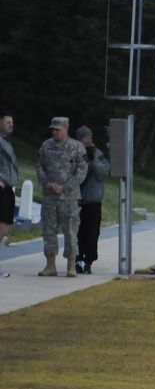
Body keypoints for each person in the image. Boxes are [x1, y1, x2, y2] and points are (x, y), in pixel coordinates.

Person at [37, 117, 87, 277]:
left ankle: (71, 264)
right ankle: (50, 265)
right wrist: (48, 184)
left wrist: (65, 187)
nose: (54, 132)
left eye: (57, 129)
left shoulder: (77, 147)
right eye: (52, 129)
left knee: (70, 231)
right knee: (49, 230)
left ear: (66, 129)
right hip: (50, 196)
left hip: (69, 198)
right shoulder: (46, 146)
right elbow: (40, 166)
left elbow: (82, 169)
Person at [74, 126, 111, 274]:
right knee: (77, 233)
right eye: (84, 138)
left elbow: (103, 174)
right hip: (77, 200)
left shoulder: (98, 154)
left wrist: (93, 159)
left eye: (89, 137)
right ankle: (76, 259)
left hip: (93, 201)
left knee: (91, 233)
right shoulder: (73, 152)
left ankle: (88, 260)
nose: (88, 140)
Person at [0, 113, 18, 278]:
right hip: (1, 189)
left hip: (9, 189)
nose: (11, 125)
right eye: (7, 122)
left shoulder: (7, 142)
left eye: (12, 122)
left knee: (5, 227)